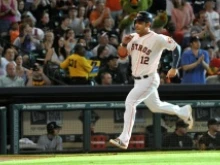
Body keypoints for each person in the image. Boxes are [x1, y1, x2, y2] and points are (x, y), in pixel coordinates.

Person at [109, 11, 193, 150]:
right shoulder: (133, 38)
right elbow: (122, 56)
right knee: (155, 106)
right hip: (137, 80)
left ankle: (124, 139)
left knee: (130, 101)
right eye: (136, 22)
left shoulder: (157, 38)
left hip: (149, 79)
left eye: (140, 22)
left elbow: (176, 47)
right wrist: (124, 44)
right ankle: (183, 111)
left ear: (148, 24)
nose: (137, 25)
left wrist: (173, 67)